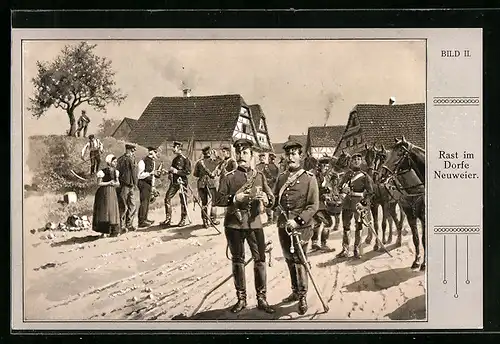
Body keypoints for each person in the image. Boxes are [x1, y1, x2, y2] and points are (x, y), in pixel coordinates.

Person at [214, 138, 275, 314]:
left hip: (255, 223)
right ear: (236, 154)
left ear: (252, 155)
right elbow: (218, 199)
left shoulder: (260, 176)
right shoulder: (228, 177)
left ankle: (261, 298)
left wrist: (267, 199)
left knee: (260, 260)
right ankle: (241, 299)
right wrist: (234, 199)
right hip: (234, 225)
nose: (242, 156)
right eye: (239, 153)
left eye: (245, 152)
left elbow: (271, 199)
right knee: (238, 261)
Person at [273, 140, 319, 315]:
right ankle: (294, 291)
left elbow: (313, 206)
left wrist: (297, 221)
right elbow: (275, 201)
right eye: (288, 154)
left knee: (299, 260)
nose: (290, 157)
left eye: (294, 154)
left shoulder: (309, 178)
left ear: (301, 156)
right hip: (284, 226)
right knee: (289, 259)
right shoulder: (281, 177)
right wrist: (266, 200)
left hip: (302, 227)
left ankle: (302, 296)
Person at [335, 152, 374, 259]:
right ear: (351, 161)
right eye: (354, 159)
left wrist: (363, 203)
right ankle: (345, 249)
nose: (356, 161)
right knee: (346, 227)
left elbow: (370, 192)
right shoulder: (347, 175)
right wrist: (342, 189)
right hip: (347, 203)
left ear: (361, 162)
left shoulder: (365, 176)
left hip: (358, 204)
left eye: (358, 159)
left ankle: (357, 249)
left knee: (359, 226)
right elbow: (338, 187)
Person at [160, 141, 191, 228]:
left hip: (182, 183)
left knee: (183, 200)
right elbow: (172, 171)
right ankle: (168, 219)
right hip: (174, 182)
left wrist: (177, 171)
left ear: (179, 148)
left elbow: (188, 172)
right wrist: (167, 172)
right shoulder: (175, 159)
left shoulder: (185, 160)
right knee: (167, 198)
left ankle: (183, 219)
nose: (173, 149)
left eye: (175, 147)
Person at [91, 154, 121, 237]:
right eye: (114, 162)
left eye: (116, 162)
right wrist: (108, 183)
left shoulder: (116, 172)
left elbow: (118, 183)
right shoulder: (102, 172)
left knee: (112, 211)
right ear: (109, 162)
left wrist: (115, 183)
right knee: (105, 212)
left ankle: (113, 231)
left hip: (112, 193)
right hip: (104, 193)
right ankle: (104, 232)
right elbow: (99, 183)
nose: (116, 163)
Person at [311, 156, 335, 251]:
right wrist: (325, 192)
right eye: (325, 166)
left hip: (317, 204)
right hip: (317, 204)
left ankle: (314, 243)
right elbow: (315, 190)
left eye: (327, 166)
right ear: (320, 166)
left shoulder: (320, 175)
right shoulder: (317, 176)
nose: (326, 168)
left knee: (317, 223)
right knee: (328, 223)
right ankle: (323, 244)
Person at [193, 146, 221, 228]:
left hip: (201, 184)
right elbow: (223, 162)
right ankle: (213, 220)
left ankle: (205, 222)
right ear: (210, 153)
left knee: (204, 203)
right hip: (211, 184)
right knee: (214, 202)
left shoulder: (199, 162)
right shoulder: (214, 161)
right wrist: (216, 155)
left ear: (203, 153)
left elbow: (195, 174)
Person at [137, 146, 161, 228]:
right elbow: (139, 176)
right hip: (143, 183)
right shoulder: (142, 161)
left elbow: (153, 175)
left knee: (147, 201)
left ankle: (145, 219)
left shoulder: (153, 162)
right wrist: (150, 173)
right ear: (151, 152)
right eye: (156, 152)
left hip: (148, 183)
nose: (157, 154)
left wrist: (153, 185)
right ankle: (141, 221)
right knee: (144, 201)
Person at [116, 143, 138, 233]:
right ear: (129, 150)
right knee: (123, 206)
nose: (133, 152)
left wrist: (134, 184)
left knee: (132, 205)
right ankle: (122, 226)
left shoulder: (129, 159)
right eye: (133, 150)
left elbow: (134, 173)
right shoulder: (122, 159)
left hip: (130, 185)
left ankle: (129, 224)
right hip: (124, 185)